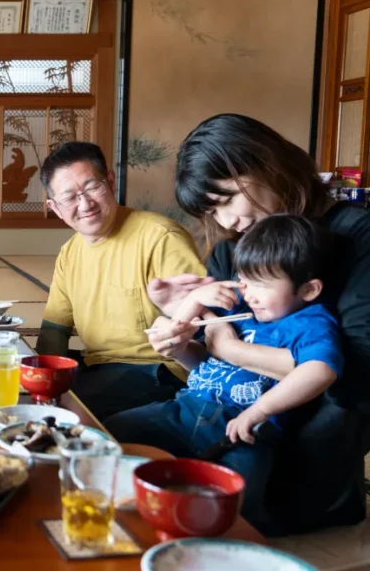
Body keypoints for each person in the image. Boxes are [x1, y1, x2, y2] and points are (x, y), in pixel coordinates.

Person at [148, 113, 370, 534]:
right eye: (213, 210)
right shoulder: (231, 253)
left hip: (314, 434)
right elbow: (212, 368)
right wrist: (178, 327)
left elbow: (358, 372)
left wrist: (231, 349)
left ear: (266, 162)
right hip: (228, 415)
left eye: (228, 198)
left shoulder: (357, 235)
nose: (227, 221)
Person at [107, 215, 342, 534]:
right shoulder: (241, 307)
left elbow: (320, 370)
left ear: (309, 289)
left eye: (263, 284)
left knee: (236, 500)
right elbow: (192, 349)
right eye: (244, 281)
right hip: (185, 409)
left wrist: (258, 412)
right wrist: (191, 306)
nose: (250, 294)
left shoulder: (311, 323)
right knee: (113, 431)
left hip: (241, 432)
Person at [35, 141, 206, 421]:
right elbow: (55, 329)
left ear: (111, 181)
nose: (85, 204)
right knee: (30, 393)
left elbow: (203, 326)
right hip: (98, 365)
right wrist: (41, 380)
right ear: (55, 207)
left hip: (158, 369)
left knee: (65, 413)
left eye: (92, 187)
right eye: (70, 197)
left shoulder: (160, 237)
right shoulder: (70, 252)